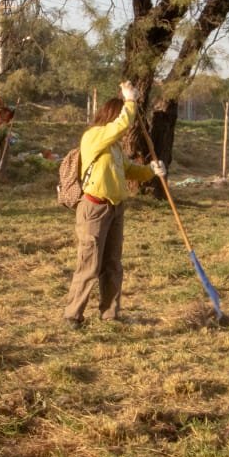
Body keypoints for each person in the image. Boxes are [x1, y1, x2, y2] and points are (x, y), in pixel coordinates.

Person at [62, 80, 163, 328]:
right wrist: (130, 100)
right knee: (89, 264)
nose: (126, 128)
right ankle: (73, 315)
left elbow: (129, 170)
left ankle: (110, 314)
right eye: (121, 117)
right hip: (94, 209)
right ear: (111, 116)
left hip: (116, 208)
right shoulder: (94, 136)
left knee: (113, 265)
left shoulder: (114, 147)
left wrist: (151, 170)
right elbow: (122, 125)